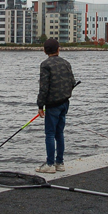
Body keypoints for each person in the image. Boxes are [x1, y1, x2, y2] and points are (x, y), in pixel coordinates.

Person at [36, 38, 77, 174]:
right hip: (64, 103)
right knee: (59, 133)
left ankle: (50, 164)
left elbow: (44, 88)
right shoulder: (66, 63)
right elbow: (72, 82)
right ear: (59, 49)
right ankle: (60, 163)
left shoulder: (45, 65)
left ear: (44, 50)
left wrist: (40, 105)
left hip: (52, 105)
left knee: (50, 133)